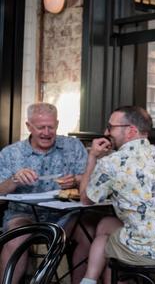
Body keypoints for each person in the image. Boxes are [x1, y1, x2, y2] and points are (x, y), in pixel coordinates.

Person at [77, 106, 155, 284]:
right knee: (105, 225)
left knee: (104, 239)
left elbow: (86, 199)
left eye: (110, 127)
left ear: (131, 131)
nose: (105, 132)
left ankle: (89, 280)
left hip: (148, 251)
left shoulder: (111, 163)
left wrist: (93, 157)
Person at [0, 102, 91, 284]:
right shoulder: (11, 153)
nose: (47, 132)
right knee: (17, 237)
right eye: (41, 127)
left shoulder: (73, 147)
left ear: (57, 124)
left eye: (51, 127)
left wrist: (76, 180)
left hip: (66, 215)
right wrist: (14, 181)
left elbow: (90, 182)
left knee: (88, 233)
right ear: (28, 126)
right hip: (24, 214)